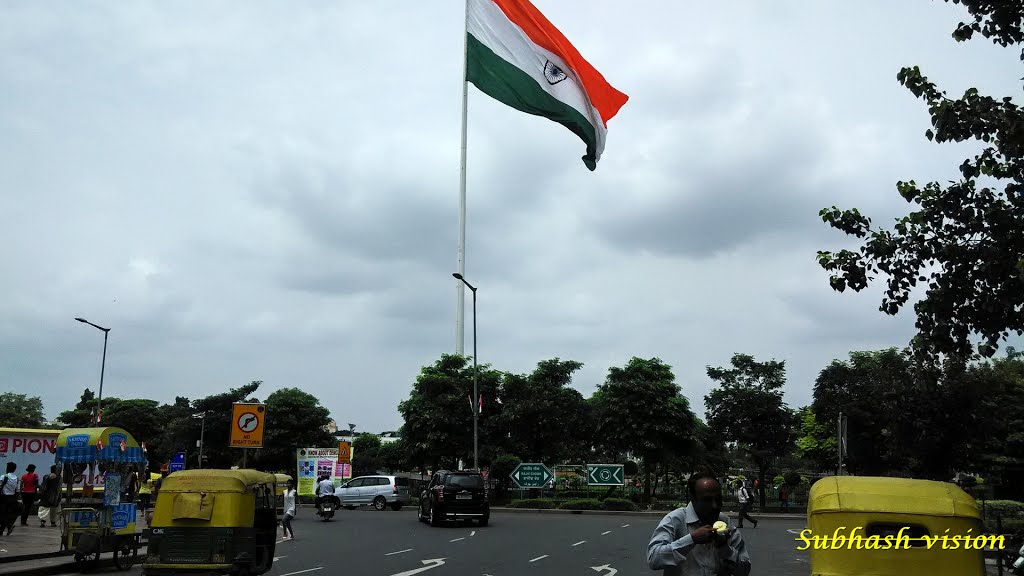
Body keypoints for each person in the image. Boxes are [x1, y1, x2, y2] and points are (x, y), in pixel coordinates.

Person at [647, 471, 751, 575]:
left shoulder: (725, 522)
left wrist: (726, 549)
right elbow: (653, 559)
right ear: (693, 498)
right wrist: (691, 539)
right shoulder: (675, 520)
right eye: (707, 500)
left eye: (718, 499)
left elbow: (745, 569)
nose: (715, 506)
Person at [1, 462, 20, 536]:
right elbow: (17, 490)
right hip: (12, 498)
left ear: (7, 468)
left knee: (2, 514)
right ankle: (9, 525)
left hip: (3, 498)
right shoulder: (16, 478)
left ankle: (3, 529)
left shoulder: (3, 476)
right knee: (8, 514)